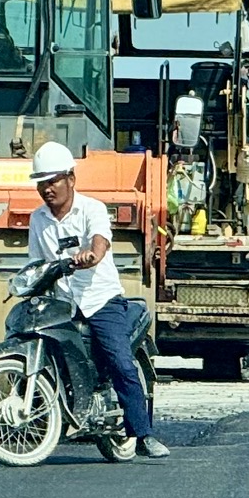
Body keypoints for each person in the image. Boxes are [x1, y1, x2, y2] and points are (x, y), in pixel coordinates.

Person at [26, 140, 168, 459]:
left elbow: (100, 240)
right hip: (62, 303)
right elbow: (36, 262)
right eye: (41, 183)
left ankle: (143, 434)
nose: (47, 189)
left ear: (70, 179)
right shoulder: (38, 220)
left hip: (100, 300)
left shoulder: (92, 209)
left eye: (53, 181)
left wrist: (92, 254)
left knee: (119, 360)